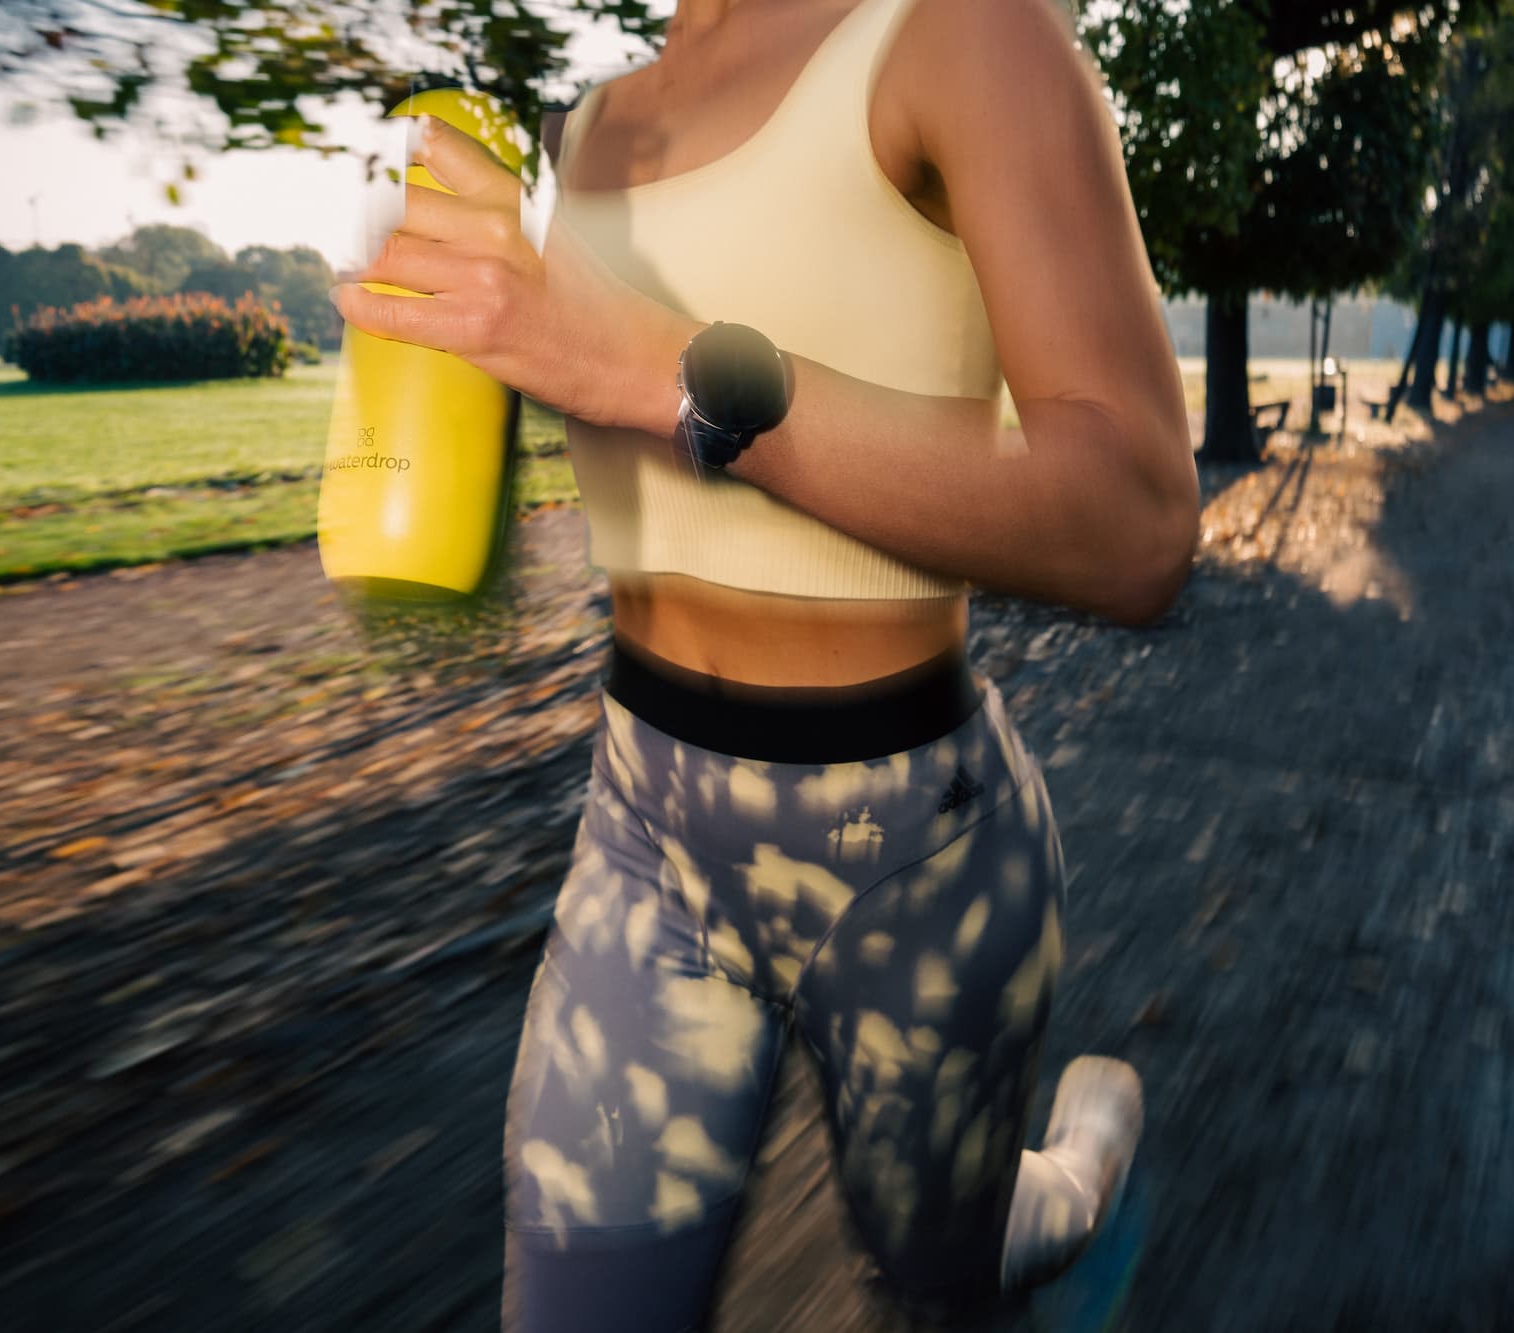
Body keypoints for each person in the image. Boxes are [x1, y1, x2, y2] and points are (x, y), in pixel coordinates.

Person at [328, 0, 1199, 1326]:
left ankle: (1074, 1174)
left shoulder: (962, 38)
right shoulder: (598, 126)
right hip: (646, 840)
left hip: (920, 856)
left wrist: (668, 372)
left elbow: (1140, 527)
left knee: (941, 1280)